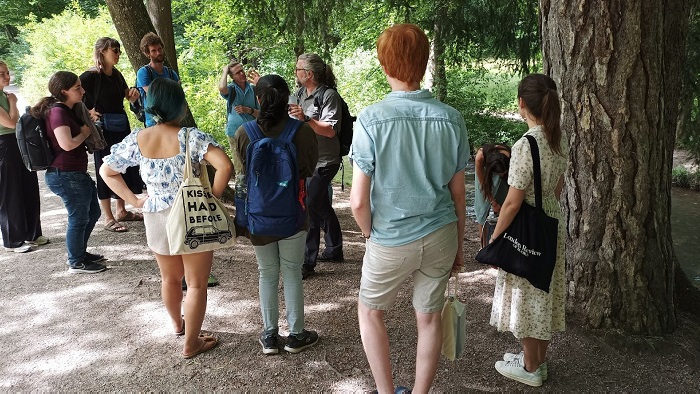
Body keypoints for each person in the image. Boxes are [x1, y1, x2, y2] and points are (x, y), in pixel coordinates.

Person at [349, 24, 469, 393]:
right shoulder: (452, 119)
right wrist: (459, 246)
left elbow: (357, 201)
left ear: (384, 64)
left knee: (370, 311)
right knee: (430, 320)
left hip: (390, 238)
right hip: (440, 235)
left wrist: (370, 233)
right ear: (424, 61)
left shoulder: (370, 120)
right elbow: (459, 195)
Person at [100, 78, 232, 358]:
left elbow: (107, 172)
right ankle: (191, 343)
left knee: (169, 279)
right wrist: (212, 198)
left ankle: (178, 326)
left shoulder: (140, 137)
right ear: (178, 104)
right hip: (191, 215)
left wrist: (135, 200)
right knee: (196, 284)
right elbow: (225, 166)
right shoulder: (190, 137)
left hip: (155, 214)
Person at [489, 73, 568, 387]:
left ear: (522, 104)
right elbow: (557, 189)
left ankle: (531, 367)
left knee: (524, 293)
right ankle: (537, 360)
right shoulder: (558, 138)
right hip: (550, 220)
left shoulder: (526, 144)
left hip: (527, 225)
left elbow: (512, 202)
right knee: (542, 291)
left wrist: (496, 237)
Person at [232, 74, 319, 355]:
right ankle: (296, 335)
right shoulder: (301, 131)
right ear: (287, 100)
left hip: (258, 216)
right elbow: (308, 169)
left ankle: (269, 336)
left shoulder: (245, 133)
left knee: (266, 273)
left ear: (257, 99)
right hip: (292, 212)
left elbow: (242, 173)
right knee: (292, 272)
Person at [35, 71, 104, 273]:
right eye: (77, 88)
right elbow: (67, 144)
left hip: (73, 173)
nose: (82, 91)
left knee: (93, 212)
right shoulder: (58, 112)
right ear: (64, 91)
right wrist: (85, 131)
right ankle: (76, 261)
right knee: (79, 217)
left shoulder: (68, 109)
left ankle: (80, 253)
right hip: (65, 173)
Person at [288, 53, 344, 279]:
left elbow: (330, 130)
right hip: (307, 161)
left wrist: (306, 119)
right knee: (320, 205)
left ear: (309, 74)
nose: (296, 73)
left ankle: (307, 263)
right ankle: (334, 249)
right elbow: (285, 104)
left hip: (325, 161)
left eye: (298, 69)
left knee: (309, 206)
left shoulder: (329, 96)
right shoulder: (300, 94)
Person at [80, 37, 143, 234]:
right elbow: (73, 98)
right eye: (114, 50)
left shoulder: (116, 75)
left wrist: (132, 97)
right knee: (104, 167)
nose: (118, 54)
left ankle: (121, 210)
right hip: (102, 130)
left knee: (121, 166)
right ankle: (108, 217)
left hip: (120, 125)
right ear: (102, 52)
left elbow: (127, 96)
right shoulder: (89, 77)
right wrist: (89, 112)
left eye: (118, 50)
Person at [0, 61, 48, 253]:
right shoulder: (8, 98)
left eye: (7, 73)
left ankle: (32, 233)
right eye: (1, 73)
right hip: (3, 145)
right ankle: (13, 240)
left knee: (29, 185)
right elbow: (11, 122)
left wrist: (12, 102)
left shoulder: (6, 95)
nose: (6, 76)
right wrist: (13, 103)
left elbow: (18, 121)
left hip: (17, 142)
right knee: (9, 192)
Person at [219, 61, 259, 165]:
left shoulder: (253, 89)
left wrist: (248, 110)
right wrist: (225, 71)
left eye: (242, 70)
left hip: (252, 132)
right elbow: (222, 88)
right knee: (240, 167)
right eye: (237, 73)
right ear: (232, 77)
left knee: (254, 163)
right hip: (234, 133)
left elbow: (261, 114)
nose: (242, 73)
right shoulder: (232, 89)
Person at [136, 32, 180, 127]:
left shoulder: (171, 73)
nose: (158, 53)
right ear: (148, 54)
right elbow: (154, 95)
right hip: (153, 124)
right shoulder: (144, 72)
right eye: (153, 51)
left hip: (172, 121)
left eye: (160, 49)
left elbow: (179, 96)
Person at [474, 143, 510, 245]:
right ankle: (484, 246)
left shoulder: (509, 154)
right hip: (486, 173)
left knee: (503, 203)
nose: (501, 175)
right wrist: (492, 202)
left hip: (503, 167)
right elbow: (483, 185)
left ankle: (501, 241)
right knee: (482, 207)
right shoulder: (480, 157)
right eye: (500, 173)